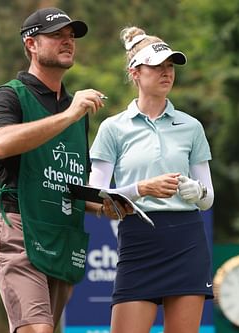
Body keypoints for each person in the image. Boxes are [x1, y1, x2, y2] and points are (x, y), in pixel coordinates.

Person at [0, 7, 125, 333]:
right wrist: (69, 115)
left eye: (71, 37)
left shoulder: (74, 110)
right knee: (37, 329)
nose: (67, 42)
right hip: (17, 227)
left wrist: (113, 204)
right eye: (57, 35)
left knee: (45, 330)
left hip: (60, 233)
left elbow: (69, 183)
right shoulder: (9, 96)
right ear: (31, 44)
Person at [88, 26, 215, 333]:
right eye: (157, 66)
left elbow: (208, 198)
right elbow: (93, 195)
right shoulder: (113, 128)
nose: (166, 73)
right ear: (135, 72)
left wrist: (195, 191)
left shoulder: (191, 126)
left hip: (186, 239)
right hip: (138, 240)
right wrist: (142, 189)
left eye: (170, 66)